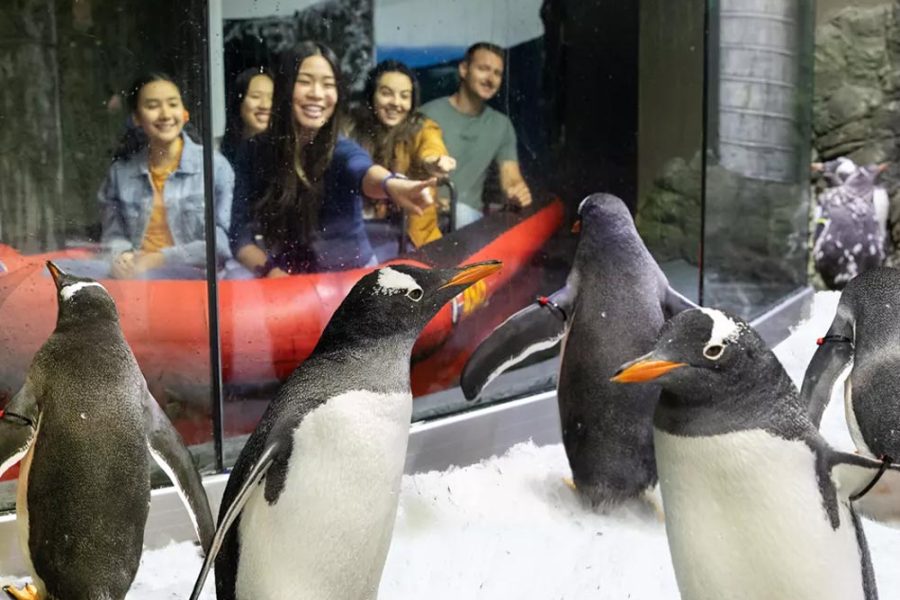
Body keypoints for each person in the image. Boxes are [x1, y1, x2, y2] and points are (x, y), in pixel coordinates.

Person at [230, 42, 435, 276]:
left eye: (328, 85)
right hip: (286, 284)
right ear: (285, 87)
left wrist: (392, 184)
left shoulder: (340, 149)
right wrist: (271, 271)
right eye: (305, 81)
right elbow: (240, 235)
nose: (317, 94)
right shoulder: (253, 150)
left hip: (349, 280)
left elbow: (361, 169)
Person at [89, 72, 233, 280]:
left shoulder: (215, 167)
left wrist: (157, 259)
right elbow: (113, 236)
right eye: (153, 106)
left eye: (173, 104)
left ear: (184, 112)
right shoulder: (120, 173)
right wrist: (121, 258)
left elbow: (219, 245)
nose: (165, 114)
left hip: (193, 279)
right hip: (137, 278)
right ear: (137, 118)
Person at [420, 42, 532, 228]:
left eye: (497, 73)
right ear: (464, 70)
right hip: (424, 214)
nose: (491, 79)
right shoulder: (427, 114)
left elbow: (510, 177)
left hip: (468, 223)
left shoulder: (501, 125)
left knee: (463, 214)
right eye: (484, 69)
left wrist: (517, 191)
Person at [347, 59, 456, 248]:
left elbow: (431, 147)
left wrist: (435, 162)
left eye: (404, 96)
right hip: (360, 235)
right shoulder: (352, 126)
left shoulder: (421, 127)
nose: (396, 103)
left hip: (412, 238)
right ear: (372, 95)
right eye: (386, 93)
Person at [220, 67, 273, 164]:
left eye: (272, 97)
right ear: (239, 102)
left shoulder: (281, 153)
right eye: (255, 96)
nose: (265, 105)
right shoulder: (218, 153)